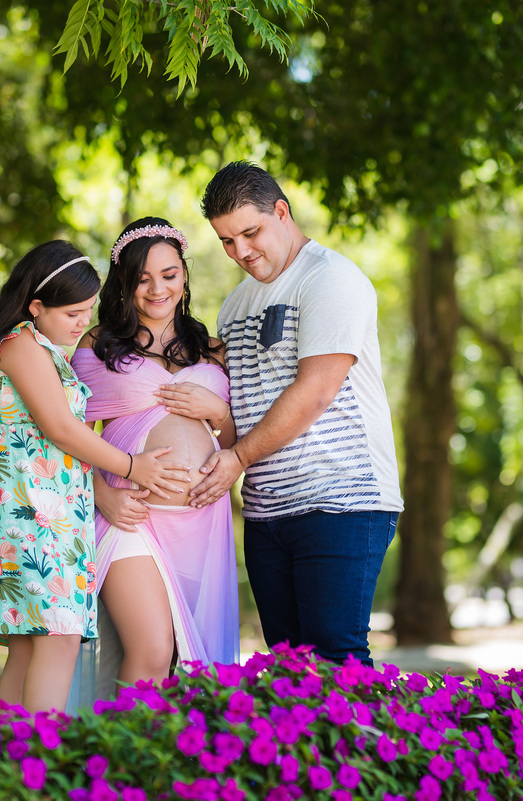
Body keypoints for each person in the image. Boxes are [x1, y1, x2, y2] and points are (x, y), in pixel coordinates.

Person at [0, 240, 190, 713]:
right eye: (72, 312)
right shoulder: (22, 344)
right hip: (23, 510)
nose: (82, 323)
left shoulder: (45, 350)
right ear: (36, 306)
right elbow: (60, 427)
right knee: (58, 637)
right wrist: (134, 467)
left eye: (87, 311)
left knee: (34, 646)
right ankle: (40, 767)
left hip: (48, 510)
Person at [189, 162, 403, 667]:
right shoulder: (235, 305)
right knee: (288, 669)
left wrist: (237, 458)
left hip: (342, 499)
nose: (241, 251)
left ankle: (369, 751)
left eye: (250, 232)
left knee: (336, 657)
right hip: (266, 512)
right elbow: (240, 403)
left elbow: (316, 391)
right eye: (226, 241)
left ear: (281, 212)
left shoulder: (331, 279)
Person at [71, 217, 240, 702]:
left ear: (183, 275)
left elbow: (233, 442)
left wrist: (218, 410)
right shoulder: (98, 345)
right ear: (125, 283)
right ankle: (121, 775)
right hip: (131, 517)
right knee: (150, 651)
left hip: (202, 524)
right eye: (142, 278)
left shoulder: (210, 348)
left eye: (168, 274)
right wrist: (102, 496)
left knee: (188, 667)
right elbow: (71, 440)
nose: (157, 288)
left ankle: (171, 771)